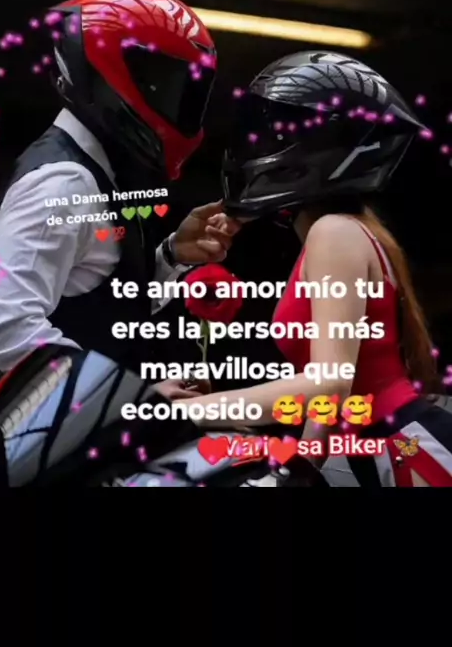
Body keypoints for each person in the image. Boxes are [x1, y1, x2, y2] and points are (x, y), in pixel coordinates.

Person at [0, 0, 241, 486]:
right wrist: (131, 400)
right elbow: (5, 327)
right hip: (42, 456)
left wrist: (169, 256)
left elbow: (93, 296)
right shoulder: (63, 181)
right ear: (107, 71)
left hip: (70, 447)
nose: (173, 99)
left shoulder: (94, 170)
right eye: (162, 81)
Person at [179, 51, 452, 487]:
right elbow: (330, 402)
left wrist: (184, 411)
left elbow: (327, 385)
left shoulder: (334, 233)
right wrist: (301, 464)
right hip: (381, 453)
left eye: (280, 133)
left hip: (403, 453)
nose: (262, 145)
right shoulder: (345, 232)